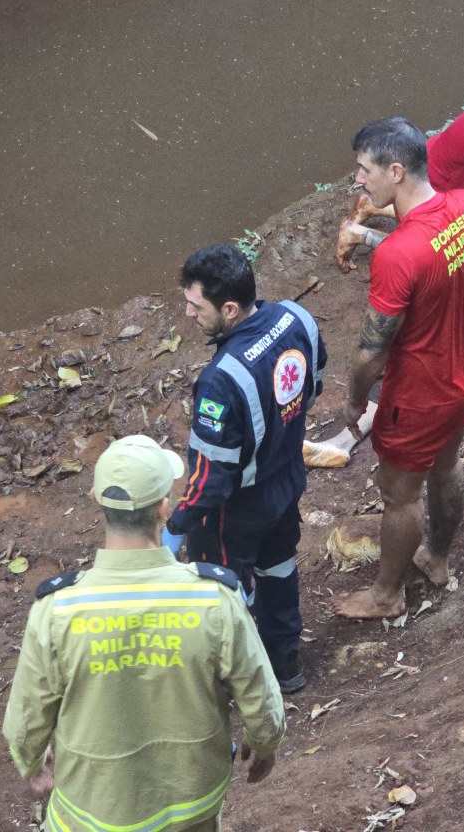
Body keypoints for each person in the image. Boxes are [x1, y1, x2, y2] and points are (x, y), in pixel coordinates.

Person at [3, 435, 285, 832]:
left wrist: (30, 763)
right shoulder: (214, 600)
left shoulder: (57, 609)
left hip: (90, 811)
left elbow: (27, 716)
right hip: (190, 804)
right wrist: (266, 743)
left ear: (96, 501)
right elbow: (258, 693)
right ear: (164, 508)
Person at [328, 117, 464, 618]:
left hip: (420, 394)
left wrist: (356, 399)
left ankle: (386, 596)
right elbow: (457, 266)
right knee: (447, 465)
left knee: (399, 495)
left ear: (395, 171)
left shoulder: (399, 256)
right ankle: (437, 559)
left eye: (364, 170)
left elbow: (370, 351)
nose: (359, 181)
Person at [163, 243, 326, 694]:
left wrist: (176, 526)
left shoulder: (221, 380)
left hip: (236, 510)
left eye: (196, 306)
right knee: (279, 568)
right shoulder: (298, 319)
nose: (189, 313)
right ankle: (286, 663)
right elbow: (312, 386)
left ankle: (242, 684)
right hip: (287, 482)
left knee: (224, 591)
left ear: (229, 308)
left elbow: (209, 477)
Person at [335, 95, 464, 271]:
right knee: (439, 252)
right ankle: (358, 234)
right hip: (439, 185)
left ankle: (369, 207)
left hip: (437, 168)